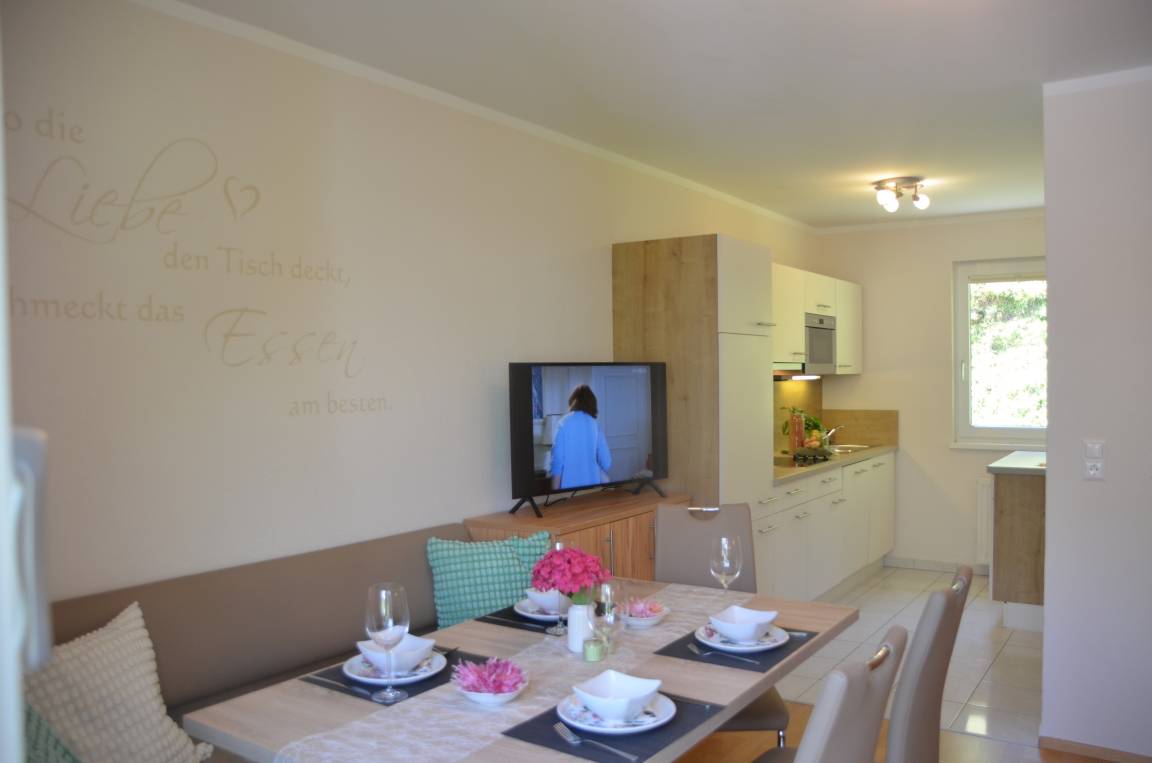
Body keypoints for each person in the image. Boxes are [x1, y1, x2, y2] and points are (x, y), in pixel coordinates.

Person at [549, 384, 612, 490]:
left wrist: (553, 495)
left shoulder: (562, 423)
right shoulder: (595, 425)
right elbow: (607, 463)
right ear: (592, 403)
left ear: (573, 401)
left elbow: (557, 464)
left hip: (569, 492)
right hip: (593, 490)